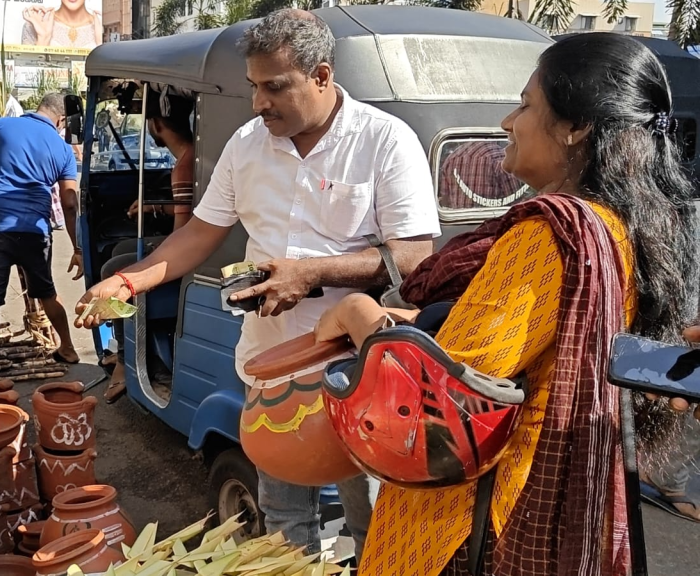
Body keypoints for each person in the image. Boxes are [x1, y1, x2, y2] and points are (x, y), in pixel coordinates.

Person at [314, 32, 699, 576]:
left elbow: (440, 395)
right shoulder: (623, 227)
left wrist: (356, 313)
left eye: (525, 104)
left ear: (575, 127)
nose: (506, 122)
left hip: (477, 522)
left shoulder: (551, 236)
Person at [76, 9, 440, 556]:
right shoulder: (247, 144)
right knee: (283, 521)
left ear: (321, 77)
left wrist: (312, 273)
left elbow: (414, 258)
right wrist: (127, 282)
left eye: (274, 87)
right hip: (271, 372)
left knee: (371, 524)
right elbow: (199, 234)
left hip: (356, 375)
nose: (258, 102)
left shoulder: (385, 142)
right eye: (253, 87)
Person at [0, 92, 83, 384]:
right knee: (46, 293)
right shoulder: (63, 148)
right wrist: (78, 247)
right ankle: (67, 347)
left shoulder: (2, 126)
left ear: (38, 107)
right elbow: (70, 203)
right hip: (35, 232)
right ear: (61, 120)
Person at [98, 93, 196, 403]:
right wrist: (154, 207)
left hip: (193, 254)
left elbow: (184, 233)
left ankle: (126, 360)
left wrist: (154, 256)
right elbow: (188, 208)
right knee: (121, 251)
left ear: (155, 123)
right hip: (197, 238)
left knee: (112, 268)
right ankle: (122, 349)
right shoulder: (194, 156)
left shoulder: (185, 165)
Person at [22, 0, 103, 49]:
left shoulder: (103, 28)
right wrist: (43, 40)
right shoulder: (35, 25)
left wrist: (102, 46)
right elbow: (27, 75)